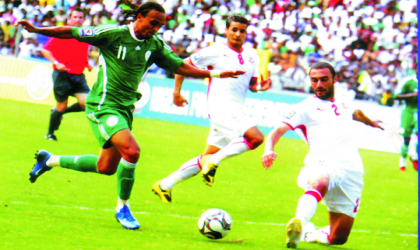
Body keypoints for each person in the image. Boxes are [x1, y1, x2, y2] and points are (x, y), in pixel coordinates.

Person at [17, 1, 244, 230]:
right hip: (104, 106)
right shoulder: (113, 33)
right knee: (132, 151)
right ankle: (122, 207)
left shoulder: (155, 45)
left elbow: (180, 66)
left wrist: (215, 73)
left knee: (106, 167)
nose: (155, 29)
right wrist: (37, 30)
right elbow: (72, 32)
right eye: (153, 23)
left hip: (124, 110)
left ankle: (49, 160)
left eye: (160, 26)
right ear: (140, 17)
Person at [261, 62, 383, 248]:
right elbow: (277, 131)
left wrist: (370, 122)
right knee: (320, 182)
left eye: (324, 80)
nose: (319, 84)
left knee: (338, 238)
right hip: (322, 161)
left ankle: (309, 232)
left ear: (334, 79)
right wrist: (269, 149)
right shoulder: (305, 107)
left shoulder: (343, 100)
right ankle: (299, 224)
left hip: (352, 170)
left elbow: (355, 113)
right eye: (314, 80)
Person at [152, 14, 272, 203]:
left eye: (242, 31)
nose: (238, 34)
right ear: (226, 31)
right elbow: (182, 66)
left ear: (246, 33)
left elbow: (252, 84)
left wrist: (260, 88)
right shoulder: (215, 52)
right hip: (220, 110)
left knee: (206, 156)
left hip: (236, 111)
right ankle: (214, 162)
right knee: (255, 138)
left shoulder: (252, 55)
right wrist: (176, 92)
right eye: (234, 29)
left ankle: (165, 185)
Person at [41, 7, 93, 141]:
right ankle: (50, 133)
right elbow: (45, 50)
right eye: (75, 17)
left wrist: (87, 63)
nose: (78, 20)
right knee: (61, 105)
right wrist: (56, 62)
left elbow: (80, 52)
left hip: (79, 76)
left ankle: (59, 112)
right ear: (70, 18)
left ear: (84, 19)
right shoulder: (63, 33)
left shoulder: (85, 35)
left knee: (86, 104)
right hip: (62, 75)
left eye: (80, 17)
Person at [394, 68, 418, 171]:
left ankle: (415, 156)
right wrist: (411, 95)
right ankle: (402, 161)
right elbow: (396, 96)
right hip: (408, 112)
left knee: (417, 137)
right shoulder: (408, 81)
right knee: (406, 140)